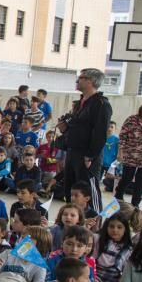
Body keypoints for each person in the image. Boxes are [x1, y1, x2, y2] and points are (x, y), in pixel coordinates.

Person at [58, 67, 111, 211]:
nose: (77, 80)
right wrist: (65, 129)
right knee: (71, 190)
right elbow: (79, 128)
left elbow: (100, 134)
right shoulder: (80, 103)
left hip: (87, 156)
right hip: (72, 152)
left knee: (88, 191)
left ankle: (95, 223)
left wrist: (90, 156)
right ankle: (72, 221)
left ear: (91, 81)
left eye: (81, 78)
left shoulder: (101, 104)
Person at [115, 102, 142, 207]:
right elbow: (122, 136)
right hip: (130, 153)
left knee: (141, 181)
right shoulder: (132, 119)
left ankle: (135, 204)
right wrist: (120, 151)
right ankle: (118, 196)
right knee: (127, 177)